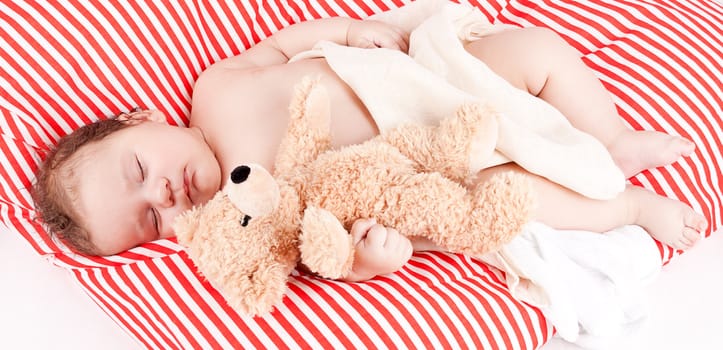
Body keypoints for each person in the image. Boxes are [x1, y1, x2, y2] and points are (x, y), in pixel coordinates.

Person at [32, 16, 707, 282]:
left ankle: (612, 139)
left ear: (142, 117)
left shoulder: (215, 89)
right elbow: (317, 252)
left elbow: (291, 43)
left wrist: (358, 30)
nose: (165, 193)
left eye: (138, 170)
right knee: (517, 200)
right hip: (433, 161)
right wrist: (366, 263)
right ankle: (631, 208)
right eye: (150, 218)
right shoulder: (246, 216)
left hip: (439, 77)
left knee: (538, 49)